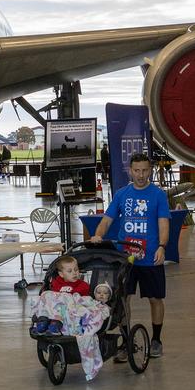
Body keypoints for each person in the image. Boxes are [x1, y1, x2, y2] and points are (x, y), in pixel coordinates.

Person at [91, 152, 171, 358]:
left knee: (155, 298)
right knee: (123, 299)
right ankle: (127, 342)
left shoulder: (158, 195)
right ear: (130, 170)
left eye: (145, 170)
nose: (141, 174)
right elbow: (107, 219)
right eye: (137, 170)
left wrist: (162, 246)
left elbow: (164, 223)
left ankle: (156, 340)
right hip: (125, 258)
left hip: (150, 257)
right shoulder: (121, 194)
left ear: (150, 170)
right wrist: (98, 235)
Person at [31, 255, 91, 335]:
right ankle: (42, 317)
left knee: (65, 298)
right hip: (54, 308)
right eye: (70, 271)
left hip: (68, 311)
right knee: (46, 294)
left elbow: (83, 301)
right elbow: (52, 298)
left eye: (76, 270)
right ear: (61, 274)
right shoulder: (56, 283)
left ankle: (55, 323)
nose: (74, 273)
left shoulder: (83, 285)